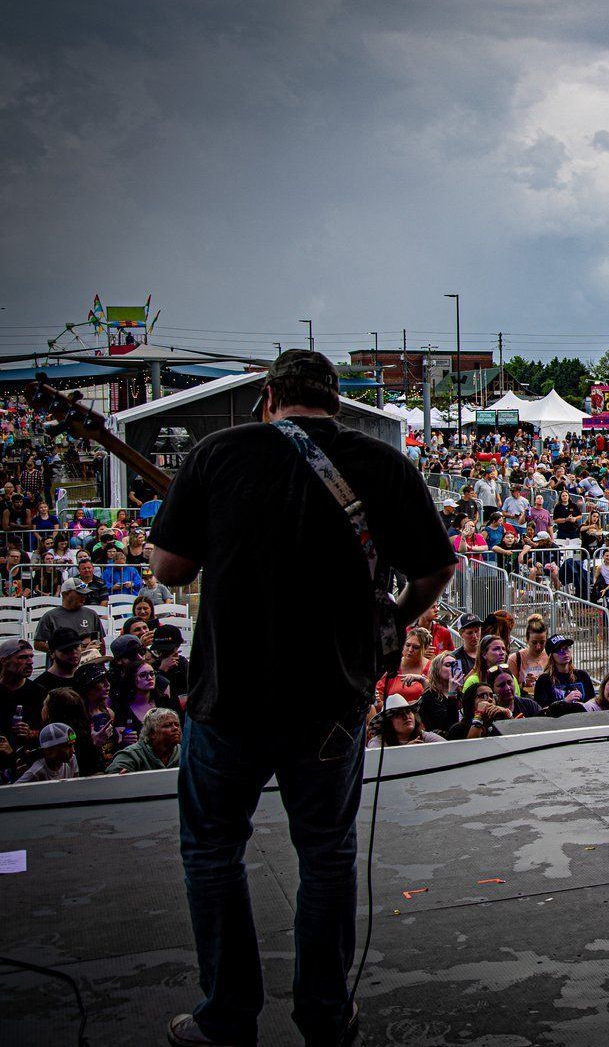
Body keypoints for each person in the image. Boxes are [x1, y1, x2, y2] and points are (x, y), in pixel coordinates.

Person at [149, 349, 456, 1047]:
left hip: (230, 699)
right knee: (325, 852)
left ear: (269, 396)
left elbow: (169, 568)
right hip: (332, 700)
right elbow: (437, 567)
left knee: (212, 850)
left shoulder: (216, 454)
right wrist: (394, 619)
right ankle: (323, 1012)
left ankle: (226, 1017)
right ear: (336, 402)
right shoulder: (381, 464)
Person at [106, 707, 183, 773]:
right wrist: (123, 777)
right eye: (167, 725)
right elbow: (111, 778)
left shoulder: (184, 752)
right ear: (152, 733)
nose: (175, 728)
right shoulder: (133, 754)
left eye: (177, 725)